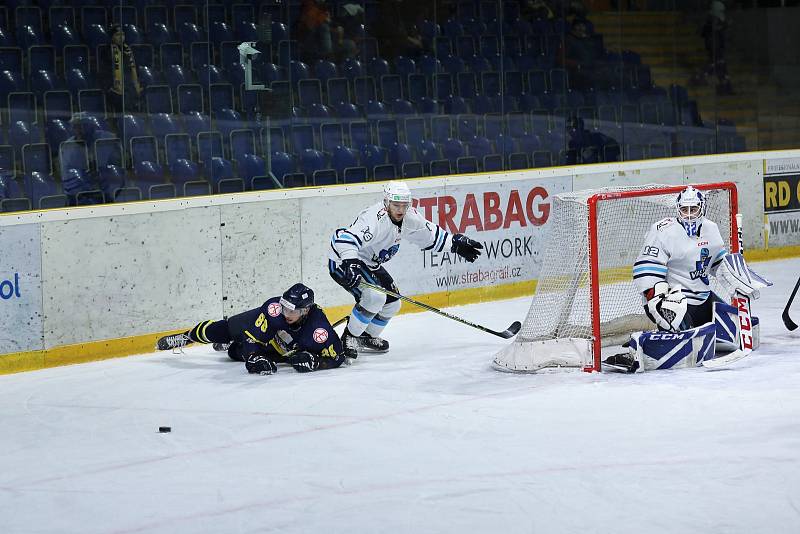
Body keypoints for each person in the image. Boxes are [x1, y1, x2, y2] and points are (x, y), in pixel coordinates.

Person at [328, 181, 483, 358]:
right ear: (386, 202)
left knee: (393, 304)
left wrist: (455, 244)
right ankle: (348, 338)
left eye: (404, 205)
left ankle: (365, 336)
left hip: (369, 262)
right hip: (343, 260)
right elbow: (343, 239)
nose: (401, 210)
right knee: (375, 297)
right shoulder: (373, 219)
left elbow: (431, 236)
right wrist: (351, 263)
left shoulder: (410, 217)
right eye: (396, 205)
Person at [156, 283, 348, 375]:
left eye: (291, 310)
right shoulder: (274, 311)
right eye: (284, 306)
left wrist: (316, 363)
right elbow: (252, 338)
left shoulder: (318, 330)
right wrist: (253, 357)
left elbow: (337, 357)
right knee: (223, 330)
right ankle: (186, 337)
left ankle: (233, 346)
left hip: (281, 349)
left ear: (305, 311)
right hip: (261, 330)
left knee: (233, 353)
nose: (285, 313)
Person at [106, 24, 143, 117]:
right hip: (114, 87)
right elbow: (106, 72)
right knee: (124, 95)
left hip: (128, 85)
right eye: (118, 35)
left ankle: (134, 118)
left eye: (122, 34)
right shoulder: (107, 51)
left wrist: (136, 84)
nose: (121, 37)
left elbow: (133, 69)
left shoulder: (128, 50)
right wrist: (113, 86)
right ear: (112, 37)